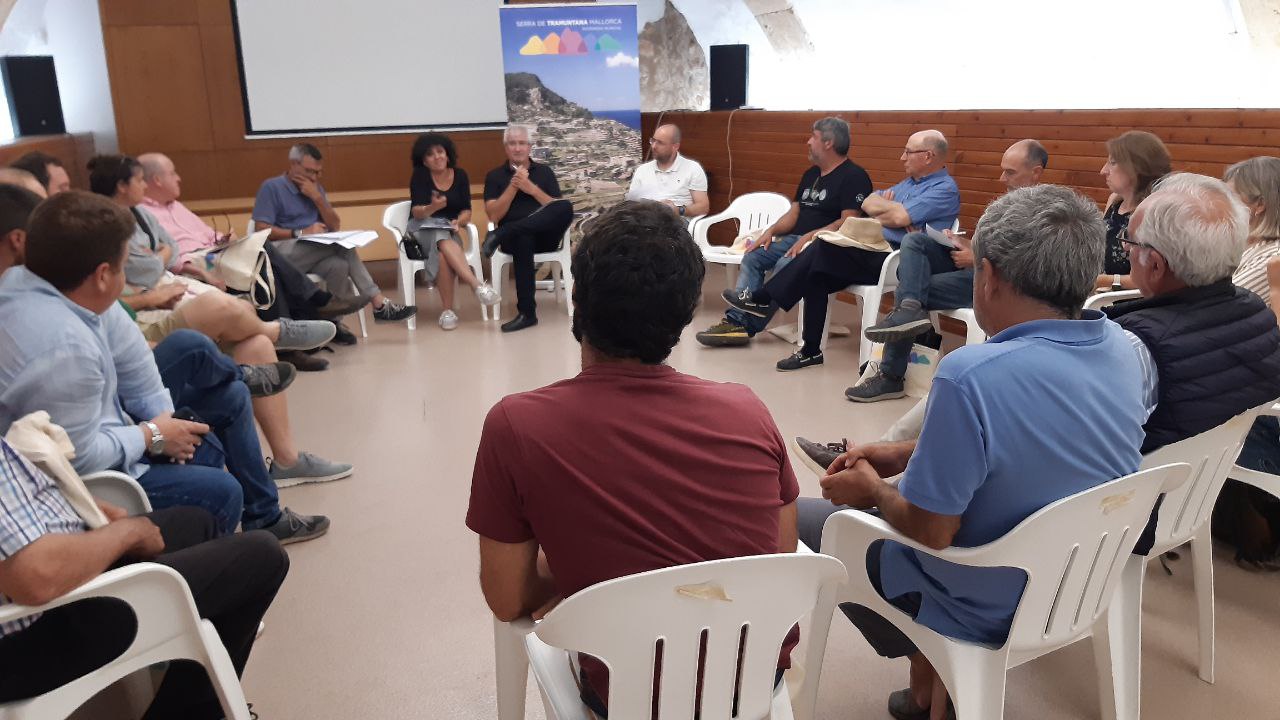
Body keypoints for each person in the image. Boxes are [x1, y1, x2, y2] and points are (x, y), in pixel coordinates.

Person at [797, 184, 1147, 720]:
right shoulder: (1129, 349)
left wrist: (872, 490)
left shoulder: (970, 374)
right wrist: (908, 451)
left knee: (813, 518)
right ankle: (930, 686)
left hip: (982, 597)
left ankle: (926, 682)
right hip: (1078, 581)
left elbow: (932, 531)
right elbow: (1043, 434)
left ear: (989, 276)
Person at [467, 201, 798, 716]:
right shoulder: (747, 410)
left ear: (577, 298)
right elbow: (778, 553)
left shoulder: (517, 426)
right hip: (755, 686)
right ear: (686, 313)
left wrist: (572, 566)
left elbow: (508, 598)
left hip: (625, 698)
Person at [0, 191, 329, 543]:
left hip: (113, 425)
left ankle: (264, 516)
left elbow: (133, 361)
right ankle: (200, 577)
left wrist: (167, 426)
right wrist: (153, 436)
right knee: (222, 492)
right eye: (124, 267)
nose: (125, 277)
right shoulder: (63, 347)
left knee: (224, 388)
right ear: (101, 276)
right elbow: (79, 460)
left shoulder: (57, 287)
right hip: (80, 480)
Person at [0, 438, 289, 719]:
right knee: (261, 558)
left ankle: (197, 700)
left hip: (48, 587)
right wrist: (126, 534)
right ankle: (192, 710)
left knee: (197, 523)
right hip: (32, 632)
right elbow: (36, 578)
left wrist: (84, 506)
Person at [721, 130, 959, 373]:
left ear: (928, 156)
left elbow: (898, 216)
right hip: (874, 249)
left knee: (821, 248)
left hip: (900, 260)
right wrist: (891, 211)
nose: (902, 157)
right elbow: (867, 202)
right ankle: (809, 351)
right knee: (818, 270)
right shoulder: (909, 183)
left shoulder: (945, 189)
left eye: (908, 152)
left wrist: (891, 211)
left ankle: (763, 299)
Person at [850, 139, 1047, 402]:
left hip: (1000, 282)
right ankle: (909, 311)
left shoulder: (1046, 210)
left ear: (1036, 171)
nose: (1002, 178)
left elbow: (1031, 262)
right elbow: (989, 244)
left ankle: (891, 374)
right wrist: (962, 243)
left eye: (1010, 172)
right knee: (915, 241)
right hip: (978, 268)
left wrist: (976, 258)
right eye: (1002, 170)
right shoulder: (1008, 203)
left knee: (912, 291)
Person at [87, 154, 335, 355]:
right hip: (195, 261)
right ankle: (287, 327)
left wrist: (159, 254)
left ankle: (290, 325)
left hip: (193, 262)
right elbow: (150, 267)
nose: (178, 178)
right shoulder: (108, 224)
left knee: (245, 303)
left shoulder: (145, 214)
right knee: (261, 252)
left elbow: (169, 248)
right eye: (140, 180)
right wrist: (162, 254)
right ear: (122, 186)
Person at [137, 152, 356, 371]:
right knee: (262, 249)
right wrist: (205, 274)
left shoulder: (175, 206)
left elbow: (205, 232)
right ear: (157, 179)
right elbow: (170, 256)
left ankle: (298, 329)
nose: (178, 178)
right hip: (200, 262)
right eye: (173, 173)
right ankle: (312, 307)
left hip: (214, 253)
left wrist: (224, 237)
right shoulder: (144, 214)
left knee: (263, 257)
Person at [696, 116, 873, 347]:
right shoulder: (811, 174)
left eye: (814, 137)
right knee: (753, 256)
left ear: (828, 143)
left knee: (784, 266)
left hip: (821, 246)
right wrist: (769, 232)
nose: (809, 142)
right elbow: (794, 213)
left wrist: (811, 237)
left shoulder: (854, 177)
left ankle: (743, 326)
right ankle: (737, 320)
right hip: (792, 239)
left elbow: (849, 221)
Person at [253, 143, 417, 332]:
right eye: (309, 171)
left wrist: (318, 198)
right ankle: (378, 302)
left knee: (339, 266)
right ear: (293, 164)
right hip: (281, 255)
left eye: (318, 172)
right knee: (343, 246)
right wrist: (300, 232)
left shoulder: (315, 189)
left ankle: (332, 325)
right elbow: (260, 231)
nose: (314, 177)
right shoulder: (272, 187)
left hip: (312, 252)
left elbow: (334, 226)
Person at [480, 124, 575, 332]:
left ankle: (501, 233)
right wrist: (514, 186)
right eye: (512, 144)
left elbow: (556, 207)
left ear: (530, 146)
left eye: (522, 143)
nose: (517, 148)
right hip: (515, 242)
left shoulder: (544, 172)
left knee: (565, 206)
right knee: (523, 237)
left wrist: (531, 188)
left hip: (546, 237)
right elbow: (494, 215)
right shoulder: (494, 176)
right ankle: (527, 313)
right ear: (505, 147)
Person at [405, 132, 499, 330]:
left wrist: (458, 222)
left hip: (449, 230)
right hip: (421, 228)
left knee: (441, 253)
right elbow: (416, 212)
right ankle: (477, 286)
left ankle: (447, 312)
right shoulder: (420, 176)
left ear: (448, 155)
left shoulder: (461, 175)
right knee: (439, 235)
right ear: (424, 160)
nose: (437, 156)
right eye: (430, 154)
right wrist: (433, 207)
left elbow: (467, 210)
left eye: (441, 151)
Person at [1095, 131, 1170, 293]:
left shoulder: (1155, 212)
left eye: (1112, 163)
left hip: (1129, 301)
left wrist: (1106, 281)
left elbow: (1156, 276)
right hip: (1100, 294)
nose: (1103, 171)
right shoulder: (1115, 200)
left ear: (1136, 168)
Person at [624, 123, 709, 219]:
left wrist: (678, 210)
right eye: (653, 141)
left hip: (678, 223)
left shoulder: (693, 169)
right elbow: (631, 203)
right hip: (647, 221)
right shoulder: (642, 170)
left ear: (675, 146)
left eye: (660, 143)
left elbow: (703, 207)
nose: (653, 146)